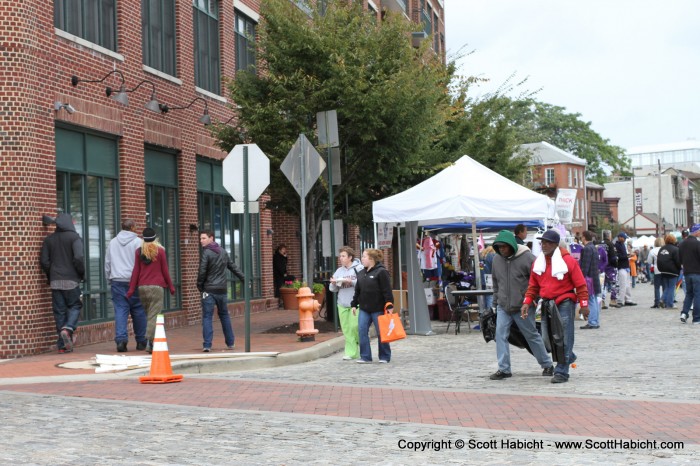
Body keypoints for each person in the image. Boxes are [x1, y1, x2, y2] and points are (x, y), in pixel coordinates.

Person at [521, 229, 589, 384]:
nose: (543, 245)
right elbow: (533, 286)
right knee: (547, 340)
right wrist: (526, 302)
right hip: (546, 303)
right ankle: (568, 356)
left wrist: (584, 305)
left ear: (555, 245)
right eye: (542, 242)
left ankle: (562, 372)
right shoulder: (538, 263)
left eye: (547, 242)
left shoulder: (568, 261)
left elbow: (581, 285)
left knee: (563, 338)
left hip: (565, 302)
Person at [488, 230, 553, 380]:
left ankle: (547, 364)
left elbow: (538, 280)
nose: (502, 249)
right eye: (499, 247)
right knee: (500, 335)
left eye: (504, 246)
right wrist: (495, 303)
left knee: (531, 335)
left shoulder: (528, 258)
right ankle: (504, 369)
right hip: (504, 306)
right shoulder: (496, 260)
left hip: (523, 305)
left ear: (512, 245)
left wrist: (533, 297)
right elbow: (496, 283)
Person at [40, 213, 85, 354]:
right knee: (75, 306)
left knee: (59, 312)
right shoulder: (74, 238)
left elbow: (44, 262)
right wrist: (81, 273)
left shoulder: (49, 240)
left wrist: (50, 274)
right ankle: (68, 328)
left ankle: (62, 346)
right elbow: (78, 257)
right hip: (71, 280)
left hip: (55, 281)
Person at [126, 228, 175, 353]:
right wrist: (171, 286)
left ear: (143, 239)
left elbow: (135, 271)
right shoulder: (161, 251)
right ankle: (150, 341)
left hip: (142, 288)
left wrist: (131, 290)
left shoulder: (138, 252)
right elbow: (165, 270)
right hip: (157, 288)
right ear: (155, 238)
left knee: (149, 315)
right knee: (154, 316)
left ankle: (151, 340)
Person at [197, 230, 244, 352]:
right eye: (200, 238)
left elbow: (202, 271)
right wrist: (244, 278)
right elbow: (232, 266)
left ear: (211, 238)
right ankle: (230, 343)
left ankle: (207, 345)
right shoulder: (223, 251)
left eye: (203, 238)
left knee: (207, 317)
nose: (201, 241)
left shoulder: (206, 252)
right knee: (224, 316)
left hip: (209, 290)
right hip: (222, 290)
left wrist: (200, 286)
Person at [105, 219, 147, 352]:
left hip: (117, 280)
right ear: (133, 227)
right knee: (139, 310)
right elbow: (144, 263)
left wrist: (109, 277)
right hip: (135, 281)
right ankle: (141, 341)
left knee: (121, 310)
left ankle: (121, 341)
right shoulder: (139, 242)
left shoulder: (113, 242)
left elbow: (108, 262)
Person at [351, 248, 394, 364]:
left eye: (364, 256)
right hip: (364, 308)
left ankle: (384, 356)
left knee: (381, 332)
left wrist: (390, 306)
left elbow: (387, 291)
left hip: (378, 308)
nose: (362, 259)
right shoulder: (361, 273)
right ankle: (365, 356)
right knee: (361, 330)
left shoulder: (381, 272)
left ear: (371, 259)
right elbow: (357, 291)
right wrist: (354, 304)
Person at [329, 246, 362, 360]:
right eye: (340, 256)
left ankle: (361, 345)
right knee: (346, 329)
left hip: (356, 303)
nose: (341, 258)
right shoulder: (339, 271)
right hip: (342, 303)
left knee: (355, 327)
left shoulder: (359, 268)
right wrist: (334, 283)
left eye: (343, 256)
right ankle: (351, 352)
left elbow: (363, 283)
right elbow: (332, 289)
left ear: (350, 257)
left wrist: (351, 281)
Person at [579, 231, 601, 329]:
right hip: (594, 277)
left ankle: (592, 322)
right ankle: (595, 320)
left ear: (584, 238)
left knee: (591, 300)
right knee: (594, 300)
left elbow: (585, 266)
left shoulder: (587, 249)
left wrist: (581, 278)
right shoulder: (594, 248)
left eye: (581, 237)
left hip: (589, 278)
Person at [679, 224, 700, 324]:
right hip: (697, 273)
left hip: (687, 272)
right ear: (697, 232)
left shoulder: (682, 244)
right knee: (697, 295)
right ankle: (696, 318)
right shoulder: (697, 244)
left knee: (689, 294)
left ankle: (684, 313)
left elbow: (679, 259)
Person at [656, 233, 681, 310]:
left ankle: (662, 299)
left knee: (667, 287)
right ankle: (670, 304)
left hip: (663, 270)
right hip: (672, 271)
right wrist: (679, 268)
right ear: (674, 240)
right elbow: (678, 261)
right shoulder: (675, 249)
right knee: (671, 287)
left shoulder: (662, 248)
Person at [614, 232, 635, 307]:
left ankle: (628, 299)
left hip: (626, 266)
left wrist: (627, 255)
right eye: (624, 237)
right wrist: (628, 256)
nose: (625, 239)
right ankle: (620, 300)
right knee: (622, 284)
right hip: (621, 266)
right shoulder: (616, 245)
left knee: (627, 285)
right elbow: (618, 256)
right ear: (619, 237)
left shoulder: (623, 245)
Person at [601, 230, 618, 309]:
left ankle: (602, 301)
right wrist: (615, 265)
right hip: (609, 266)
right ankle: (613, 299)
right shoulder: (611, 244)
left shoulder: (599, 244)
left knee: (603, 284)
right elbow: (613, 257)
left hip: (601, 267)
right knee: (613, 283)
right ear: (609, 236)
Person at [649, 237, 665, 308]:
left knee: (657, 287)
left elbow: (649, 261)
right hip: (665, 270)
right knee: (665, 286)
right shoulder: (665, 249)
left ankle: (657, 302)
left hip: (657, 270)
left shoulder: (652, 251)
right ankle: (664, 301)